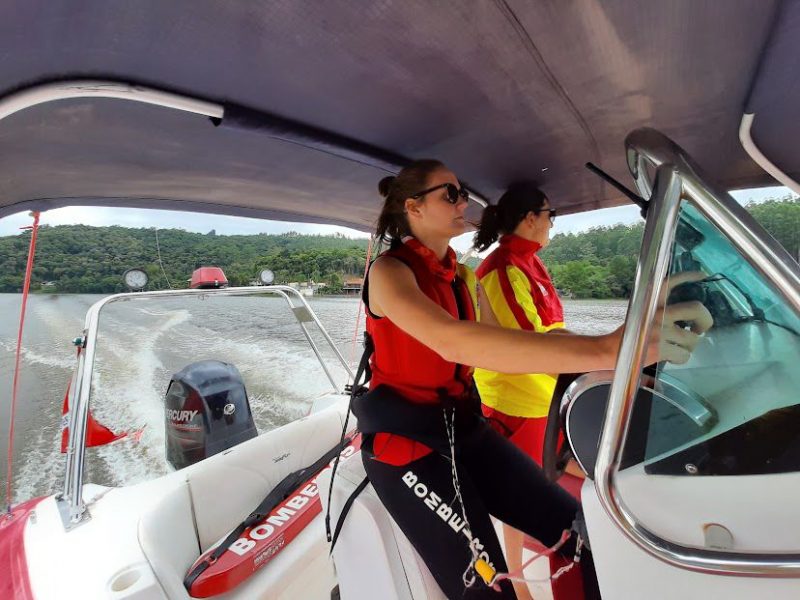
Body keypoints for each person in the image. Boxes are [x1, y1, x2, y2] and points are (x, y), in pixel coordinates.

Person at [353, 159, 711, 600]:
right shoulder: (390, 273)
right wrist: (607, 349)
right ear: (414, 207)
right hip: (409, 448)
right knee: (490, 589)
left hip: (464, 430)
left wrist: (629, 345)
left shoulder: (463, 275)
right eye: (451, 194)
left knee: (579, 533)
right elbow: (452, 341)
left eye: (462, 193)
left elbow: (514, 340)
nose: (464, 202)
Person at [472, 182, 580, 600]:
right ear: (531, 218)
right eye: (551, 215)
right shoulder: (502, 269)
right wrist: (594, 364)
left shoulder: (528, 262)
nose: (552, 224)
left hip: (547, 394)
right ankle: (517, 582)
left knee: (570, 467)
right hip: (517, 401)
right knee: (517, 495)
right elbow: (529, 343)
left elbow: (552, 330)